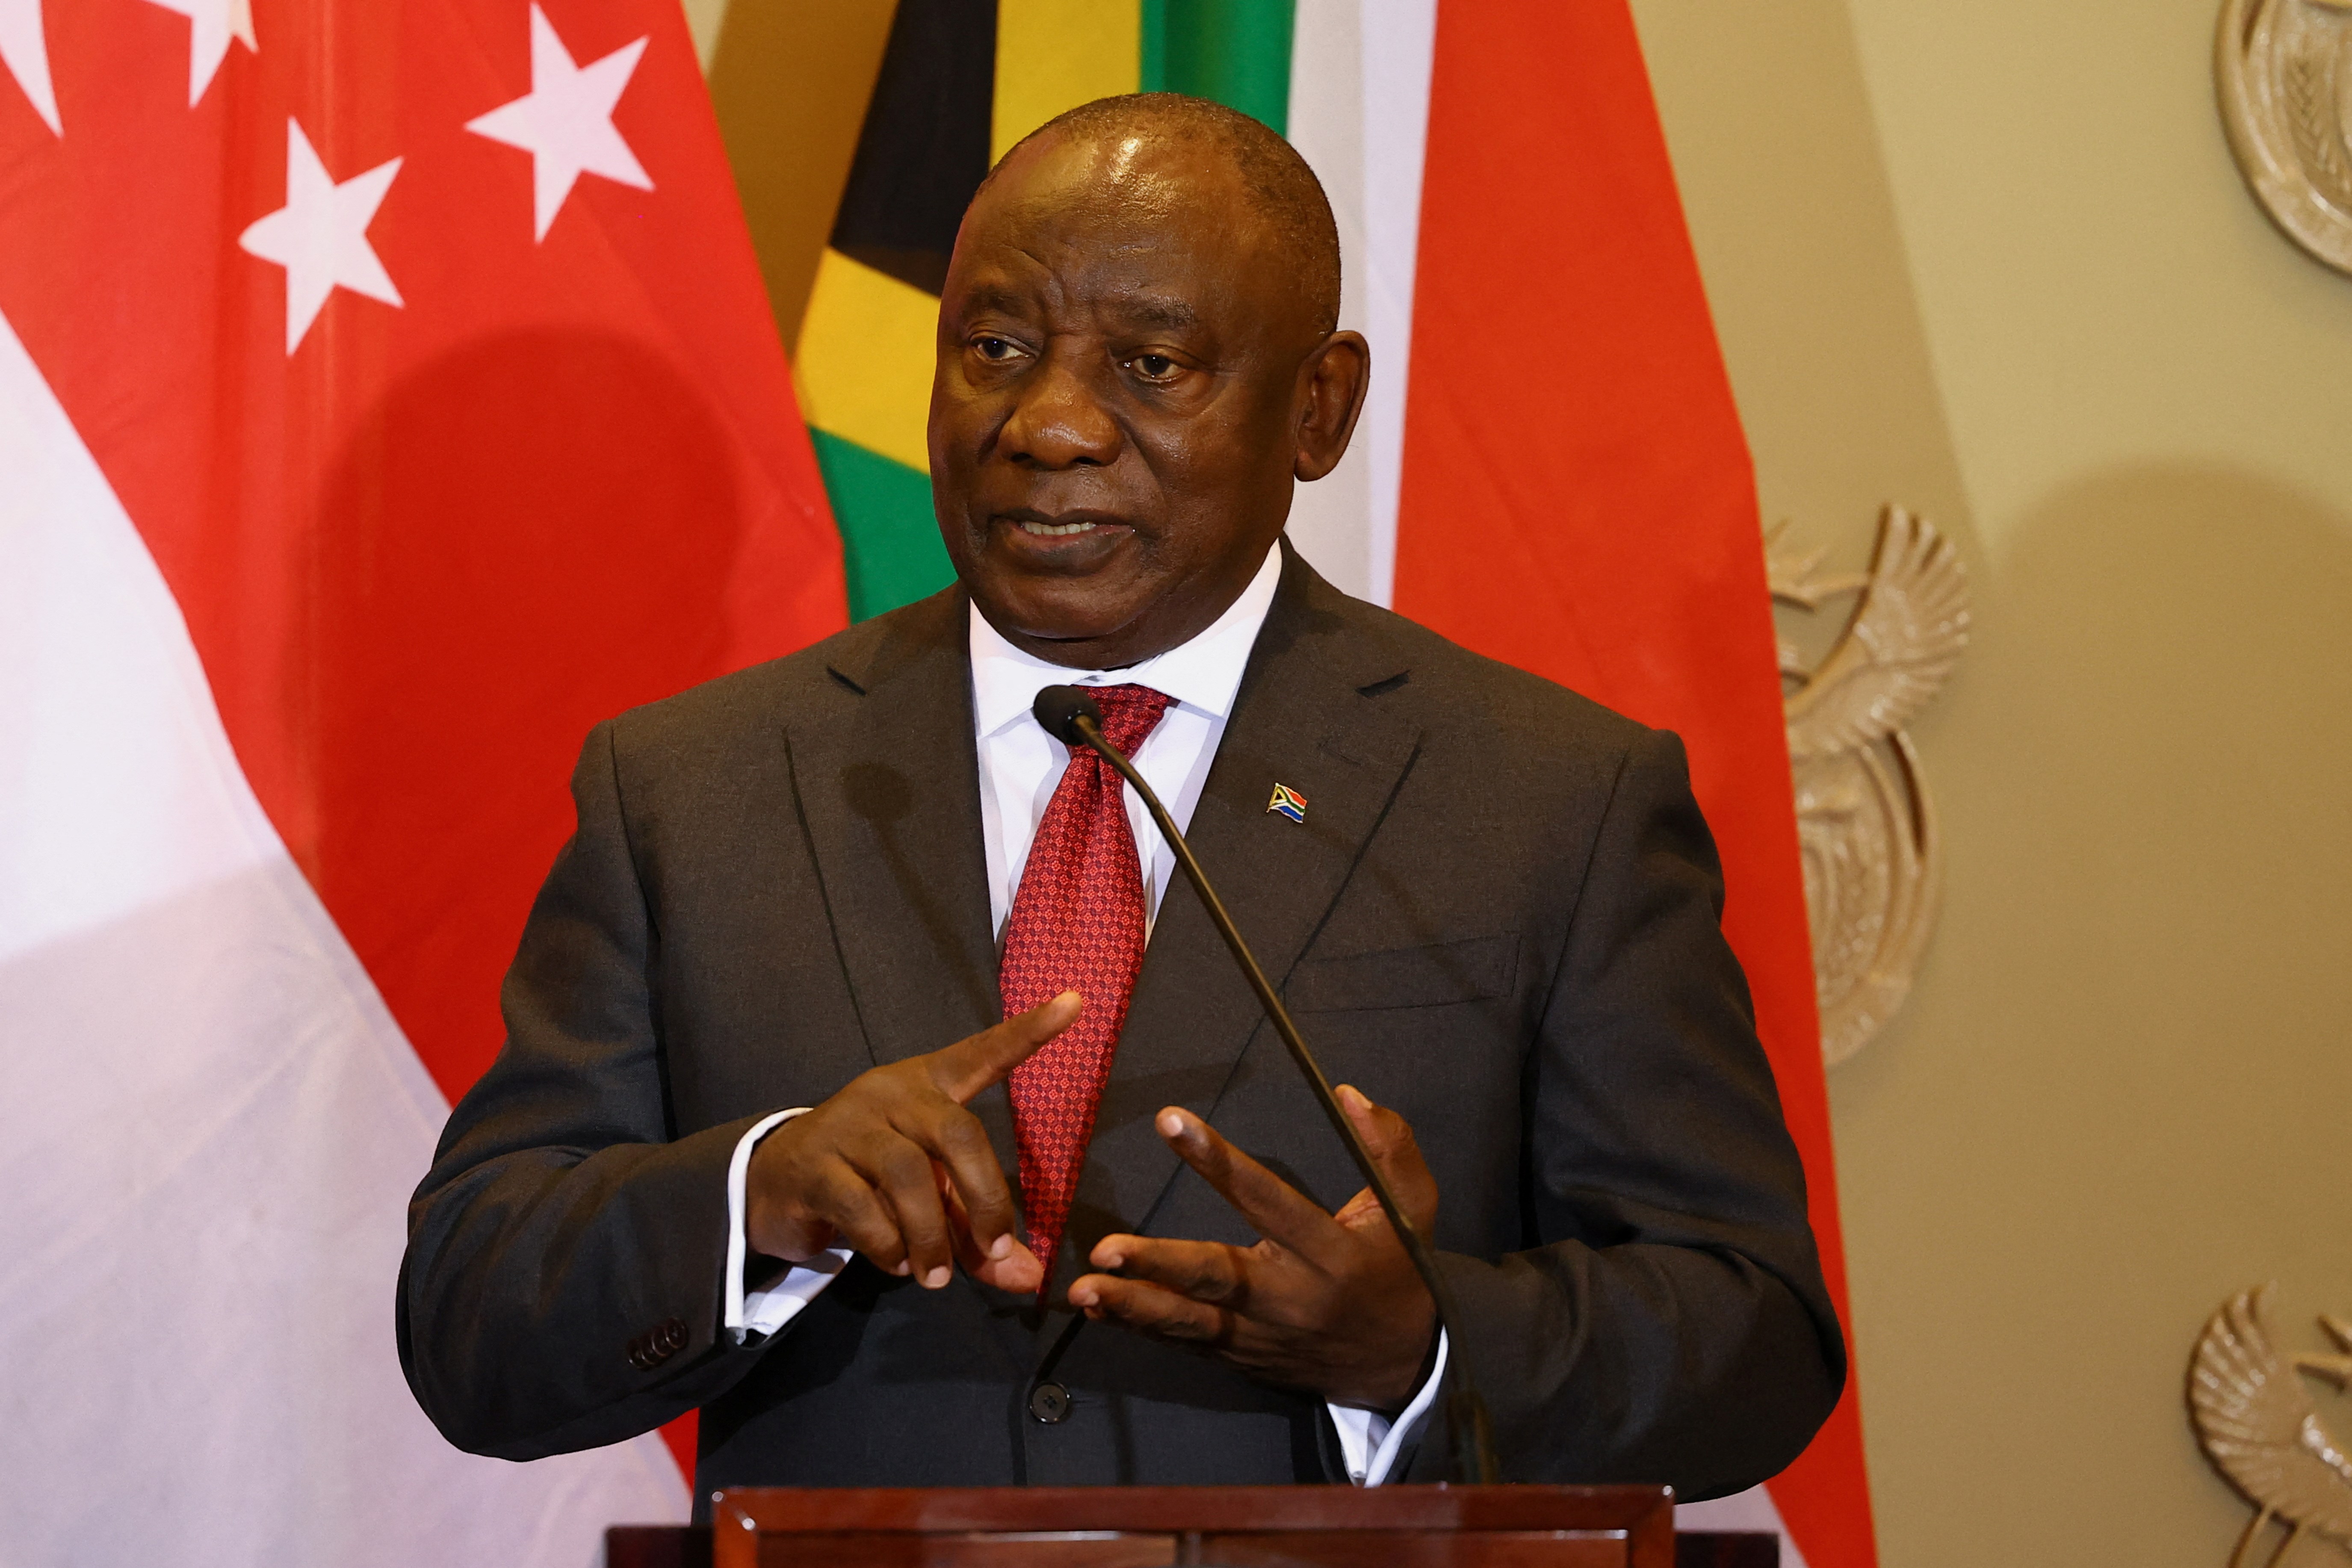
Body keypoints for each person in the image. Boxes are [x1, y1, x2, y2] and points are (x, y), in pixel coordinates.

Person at [397, 93, 1843, 1497]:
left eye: (1150, 365)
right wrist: (759, 1191)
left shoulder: (1550, 799)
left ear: (1316, 407)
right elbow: (471, 1317)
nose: (1048, 424)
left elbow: (1752, 1333)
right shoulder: (691, 787)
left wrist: (1420, 1344)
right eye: (994, 347)